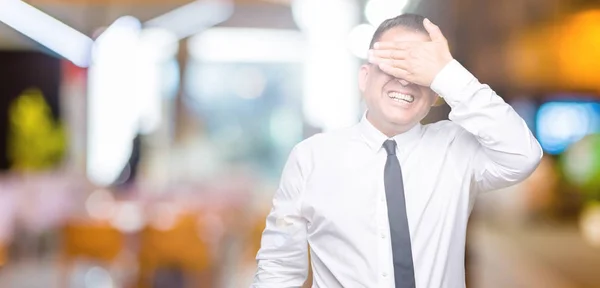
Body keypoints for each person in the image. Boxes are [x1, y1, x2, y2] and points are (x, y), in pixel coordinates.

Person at [251, 13, 542, 288]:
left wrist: (449, 73)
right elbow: (278, 269)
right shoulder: (311, 158)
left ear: (435, 90)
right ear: (364, 77)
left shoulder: (457, 149)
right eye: (394, 63)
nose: (405, 80)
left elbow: (523, 155)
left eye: (419, 70)